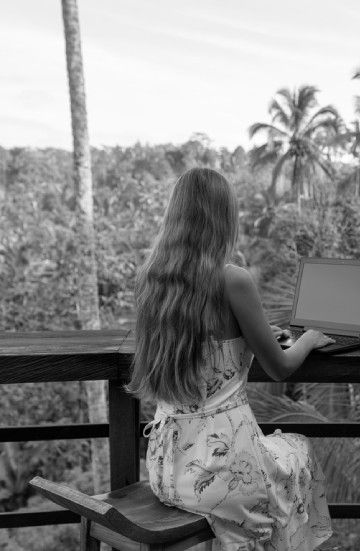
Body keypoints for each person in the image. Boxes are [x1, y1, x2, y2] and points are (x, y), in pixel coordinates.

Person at [126, 167, 334, 551]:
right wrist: (308, 340)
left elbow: (201, 344)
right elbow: (280, 367)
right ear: (223, 218)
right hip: (224, 472)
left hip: (166, 470)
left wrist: (251, 337)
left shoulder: (151, 279)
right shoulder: (232, 279)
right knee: (298, 448)